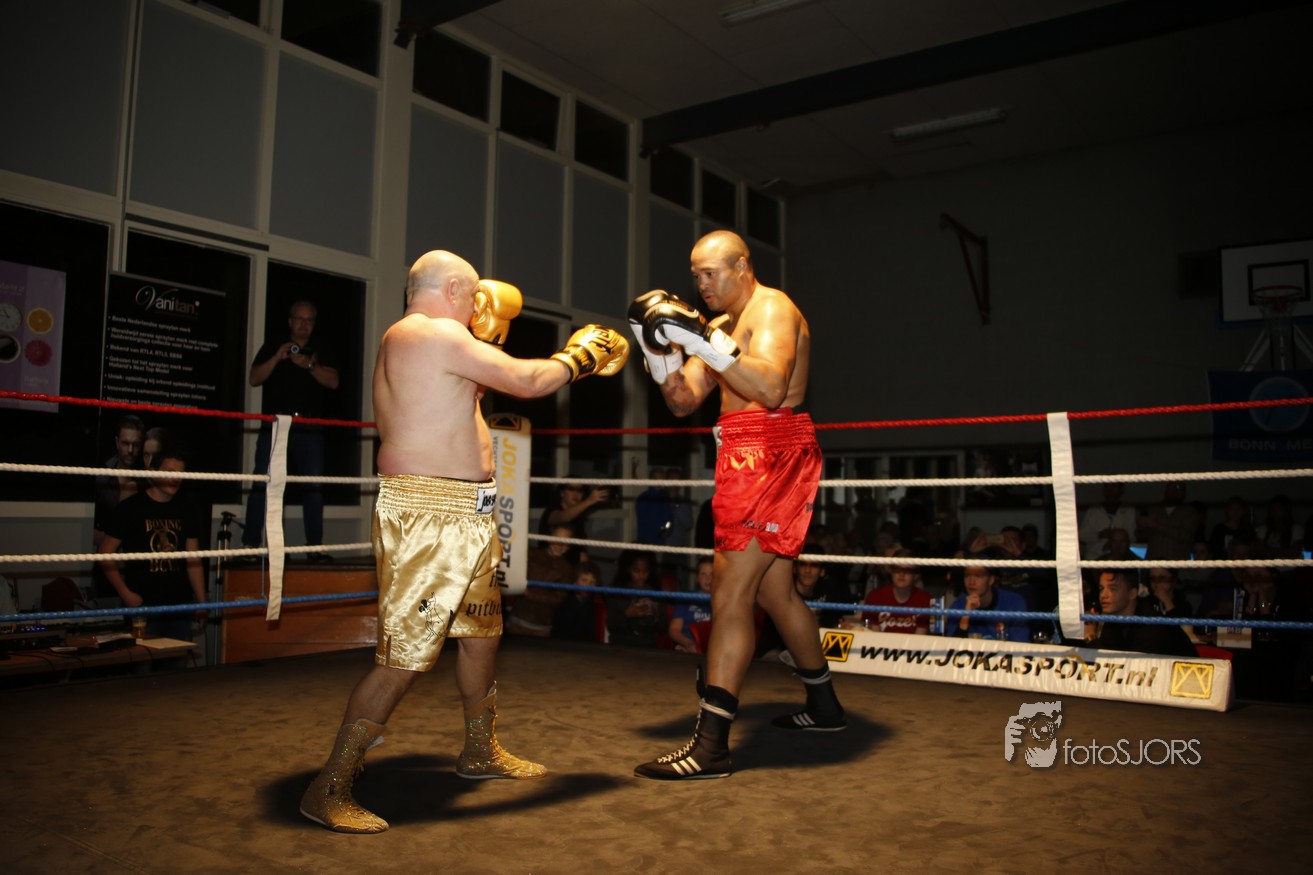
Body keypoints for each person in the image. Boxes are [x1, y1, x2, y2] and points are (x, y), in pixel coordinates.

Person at [299, 250, 627, 833]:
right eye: (472, 297)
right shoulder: (429, 334)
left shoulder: (425, 343)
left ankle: (480, 749)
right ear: (454, 289)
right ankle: (328, 787)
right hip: (429, 517)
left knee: (481, 636)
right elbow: (529, 381)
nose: (478, 308)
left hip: (466, 516)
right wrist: (580, 355)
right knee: (403, 660)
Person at [628, 229, 843, 781]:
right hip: (743, 456)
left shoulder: (772, 309)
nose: (701, 285)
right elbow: (683, 402)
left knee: (729, 595)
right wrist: (659, 356)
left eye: (711, 273)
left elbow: (769, 389)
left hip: (770, 455)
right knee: (774, 592)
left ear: (743, 266)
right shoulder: (722, 325)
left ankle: (711, 747)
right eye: (695, 275)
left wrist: (701, 340)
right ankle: (824, 705)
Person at [241, 300, 340, 561]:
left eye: (309, 320)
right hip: (276, 424)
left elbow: (333, 382)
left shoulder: (320, 348)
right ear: (290, 321)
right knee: (263, 482)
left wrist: (309, 365)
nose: (303, 324)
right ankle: (250, 546)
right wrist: (277, 357)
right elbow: (254, 378)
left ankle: (313, 548)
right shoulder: (275, 344)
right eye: (299, 318)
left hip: (310, 426)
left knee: (314, 486)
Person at [98, 449, 207, 644]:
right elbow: (105, 553)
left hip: (179, 605)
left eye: (180, 473)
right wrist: (125, 594)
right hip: (142, 604)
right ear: (152, 472)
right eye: (170, 472)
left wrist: (201, 600)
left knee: (176, 659)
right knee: (142, 660)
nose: (175, 478)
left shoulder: (187, 508)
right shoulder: (130, 508)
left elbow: (194, 558)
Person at [92, 414, 146, 598]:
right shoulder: (101, 476)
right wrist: (109, 540)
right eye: (125, 443)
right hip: (105, 566)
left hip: (137, 568)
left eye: (135, 444)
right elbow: (89, 525)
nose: (130, 450)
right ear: (117, 443)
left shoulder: (146, 478)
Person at [1083, 570, 1195, 657]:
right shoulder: (1112, 622)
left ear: (1132, 594)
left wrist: (1090, 636)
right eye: (1101, 589)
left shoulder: (1151, 625)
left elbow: (1129, 666)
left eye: (1112, 589)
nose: (1103, 595)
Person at [505, 524, 575, 636]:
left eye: (565, 542)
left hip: (543, 626)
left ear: (569, 546)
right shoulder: (530, 555)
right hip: (518, 619)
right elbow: (513, 580)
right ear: (549, 538)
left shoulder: (567, 569)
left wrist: (528, 593)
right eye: (557, 539)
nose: (560, 545)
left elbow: (557, 599)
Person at [849, 551, 932, 634]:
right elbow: (874, 636)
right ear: (891, 571)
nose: (901, 574)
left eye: (908, 570)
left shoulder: (925, 599)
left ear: (916, 575)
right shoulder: (875, 597)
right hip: (880, 642)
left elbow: (919, 638)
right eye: (897, 569)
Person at [949, 559, 1030, 642]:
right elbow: (952, 646)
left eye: (978, 576)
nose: (971, 582)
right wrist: (966, 616)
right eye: (967, 576)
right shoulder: (959, 605)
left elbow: (1021, 644)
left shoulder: (1013, 602)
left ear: (991, 580)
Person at [605, 549, 662, 648]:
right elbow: (611, 625)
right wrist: (627, 614)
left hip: (647, 646)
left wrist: (655, 615)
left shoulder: (655, 592)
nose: (641, 576)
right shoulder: (617, 591)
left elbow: (663, 629)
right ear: (627, 569)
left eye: (645, 571)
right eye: (636, 571)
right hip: (620, 645)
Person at [1137, 482, 1201, 561]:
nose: (1174, 491)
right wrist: (1142, 527)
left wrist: (1156, 525)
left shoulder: (1190, 512)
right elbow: (1140, 536)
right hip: (1154, 560)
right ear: (1166, 489)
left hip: (1177, 561)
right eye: (1171, 487)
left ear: (1184, 492)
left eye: (1178, 487)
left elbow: (1186, 535)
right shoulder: (1154, 509)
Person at [1078, 483, 1137, 559]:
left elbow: (1132, 537)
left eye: (1113, 486)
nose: (1110, 489)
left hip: (1120, 558)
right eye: (1107, 486)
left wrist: (1117, 542)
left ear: (1121, 490)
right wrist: (1099, 535)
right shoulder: (1094, 510)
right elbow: (1082, 535)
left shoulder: (1129, 510)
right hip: (1094, 557)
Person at [668, 556, 715, 652]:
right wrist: (688, 643)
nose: (708, 578)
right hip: (688, 648)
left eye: (712, 574)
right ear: (697, 578)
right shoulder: (686, 598)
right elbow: (674, 629)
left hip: (715, 648)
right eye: (703, 574)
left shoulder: (725, 600)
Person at [551, 561, 605, 642]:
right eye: (584, 580)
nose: (587, 585)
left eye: (592, 582)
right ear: (574, 581)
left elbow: (590, 631)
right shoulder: (564, 599)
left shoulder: (590, 603)